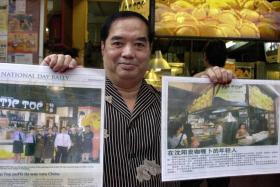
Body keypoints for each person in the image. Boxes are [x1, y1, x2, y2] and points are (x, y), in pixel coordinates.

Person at [41, 11, 233, 187]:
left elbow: (193, 165)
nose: (128, 53)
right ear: (102, 48)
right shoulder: (78, 96)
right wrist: (45, 76)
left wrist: (216, 86)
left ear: (149, 50)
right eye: (117, 43)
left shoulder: (170, 105)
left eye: (139, 44)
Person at [182, 40, 231, 187]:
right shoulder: (231, 79)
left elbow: (187, 106)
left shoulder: (197, 79)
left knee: (191, 181)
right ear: (225, 59)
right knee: (219, 181)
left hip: (197, 141)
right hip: (217, 154)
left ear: (205, 57)